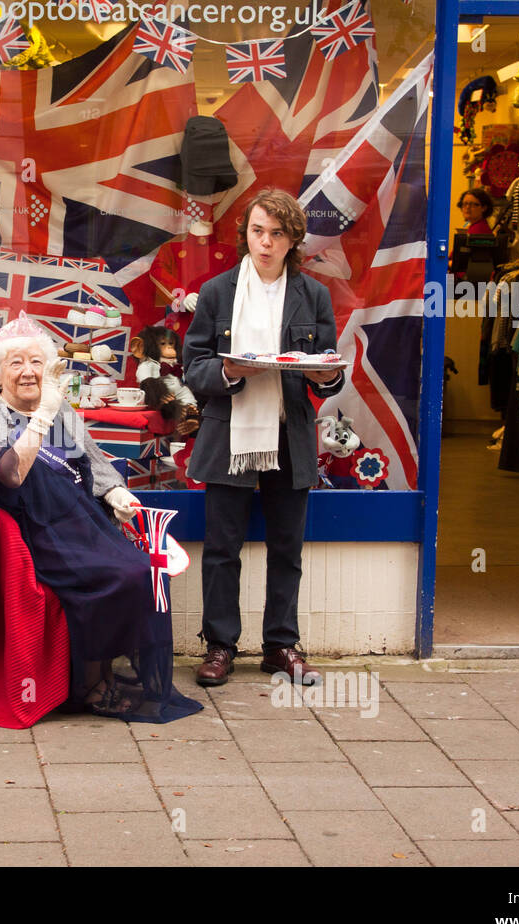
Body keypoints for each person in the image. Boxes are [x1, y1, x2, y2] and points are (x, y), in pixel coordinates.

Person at [0, 317, 202, 722]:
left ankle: (96, 676)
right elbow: (9, 474)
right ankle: (90, 685)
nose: (28, 371)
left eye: (36, 362)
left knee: (143, 571)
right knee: (118, 577)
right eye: (15, 363)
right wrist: (41, 416)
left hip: (83, 522)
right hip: (38, 533)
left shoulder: (61, 410)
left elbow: (94, 461)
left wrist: (117, 493)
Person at [183, 188, 344, 687]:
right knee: (222, 547)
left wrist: (325, 377)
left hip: (288, 430)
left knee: (286, 548)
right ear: (245, 234)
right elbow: (194, 366)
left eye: (277, 233)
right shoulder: (217, 292)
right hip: (229, 432)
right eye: (258, 231)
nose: (266, 242)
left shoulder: (313, 294)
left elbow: (330, 368)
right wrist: (230, 372)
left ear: (293, 238)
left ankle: (280, 645)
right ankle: (219, 646)